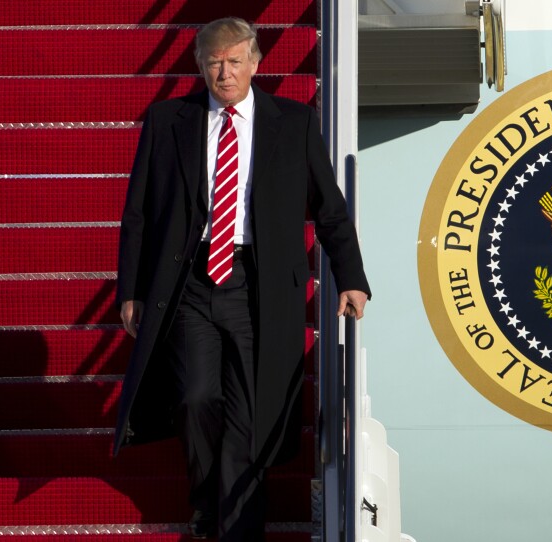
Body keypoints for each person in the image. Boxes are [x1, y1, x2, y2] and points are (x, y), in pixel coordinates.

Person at [112, 17, 370, 541]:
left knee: (250, 413)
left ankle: (239, 525)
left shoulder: (293, 122)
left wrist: (350, 277)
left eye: (234, 61)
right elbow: (137, 212)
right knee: (194, 397)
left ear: (255, 62)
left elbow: (330, 209)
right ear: (200, 67)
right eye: (214, 63)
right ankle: (208, 499)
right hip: (192, 282)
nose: (225, 73)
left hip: (260, 284)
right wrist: (131, 290)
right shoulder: (168, 121)